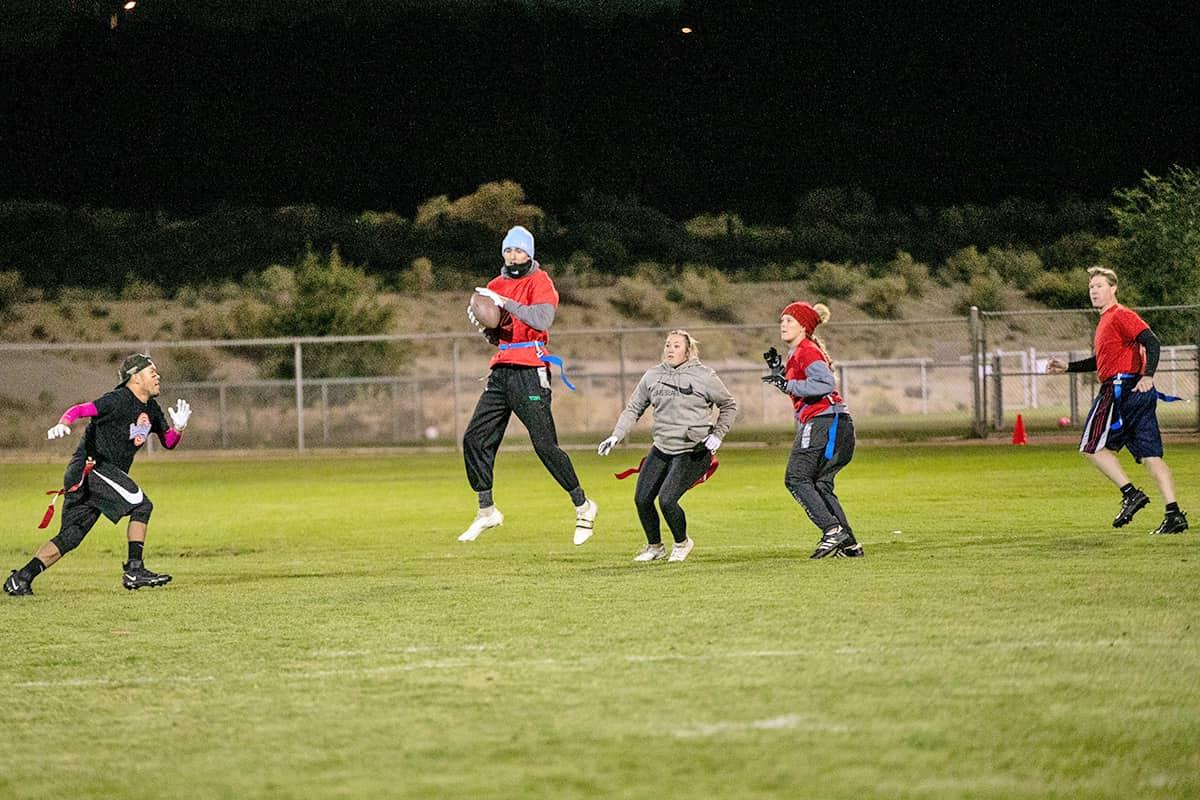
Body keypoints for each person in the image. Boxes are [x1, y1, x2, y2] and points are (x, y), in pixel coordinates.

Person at [4, 354, 192, 596]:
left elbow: (168, 442)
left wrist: (178, 428)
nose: (158, 376)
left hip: (99, 474)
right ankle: (135, 569)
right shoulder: (118, 399)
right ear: (135, 377)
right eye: (151, 372)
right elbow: (81, 409)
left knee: (71, 536)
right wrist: (65, 422)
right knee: (141, 505)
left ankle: (21, 578)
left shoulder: (151, 408)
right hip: (91, 467)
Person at [458, 225, 599, 545]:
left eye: (519, 250)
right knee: (474, 439)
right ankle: (486, 510)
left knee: (544, 445)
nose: (513, 255)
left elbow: (541, 320)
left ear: (530, 253)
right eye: (508, 250)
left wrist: (504, 302)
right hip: (501, 369)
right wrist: (487, 329)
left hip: (530, 369)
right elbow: (500, 334)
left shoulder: (540, 281)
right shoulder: (494, 285)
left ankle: (583, 505)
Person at [1046, 266, 1188, 534]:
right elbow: (1101, 361)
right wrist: (1068, 367)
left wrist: (1148, 375)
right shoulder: (1106, 322)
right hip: (1136, 393)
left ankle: (1131, 493)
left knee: (1090, 446)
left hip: (1120, 390)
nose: (1094, 291)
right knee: (1150, 456)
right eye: (1091, 287)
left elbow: (1152, 341)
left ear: (1113, 289)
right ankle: (1174, 514)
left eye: (1099, 286)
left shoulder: (1120, 315)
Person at [597, 330, 737, 562]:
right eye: (667, 345)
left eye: (676, 346)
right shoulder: (653, 376)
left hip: (693, 450)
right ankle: (655, 547)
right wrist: (616, 435)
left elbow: (729, 405)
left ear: (688, 351)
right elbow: (633, 408)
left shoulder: (704, 376)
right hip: (662, 447)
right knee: (642, 499)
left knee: (667, 500)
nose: (670, 349)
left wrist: (719, 435)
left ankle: (682, 543)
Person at [762, 301, 863, 559]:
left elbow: (825, 383)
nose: (783, 325)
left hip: (823, 422)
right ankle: (849, 545)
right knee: (820, 484)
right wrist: (779, 372)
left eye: (789, 320)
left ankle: (832, 530)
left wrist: (787, 384)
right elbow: (802, 382)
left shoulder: (806, 350)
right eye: (782, 320)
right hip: (834, 423)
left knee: (796, 478)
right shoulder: (802, 351)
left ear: (804, 326)